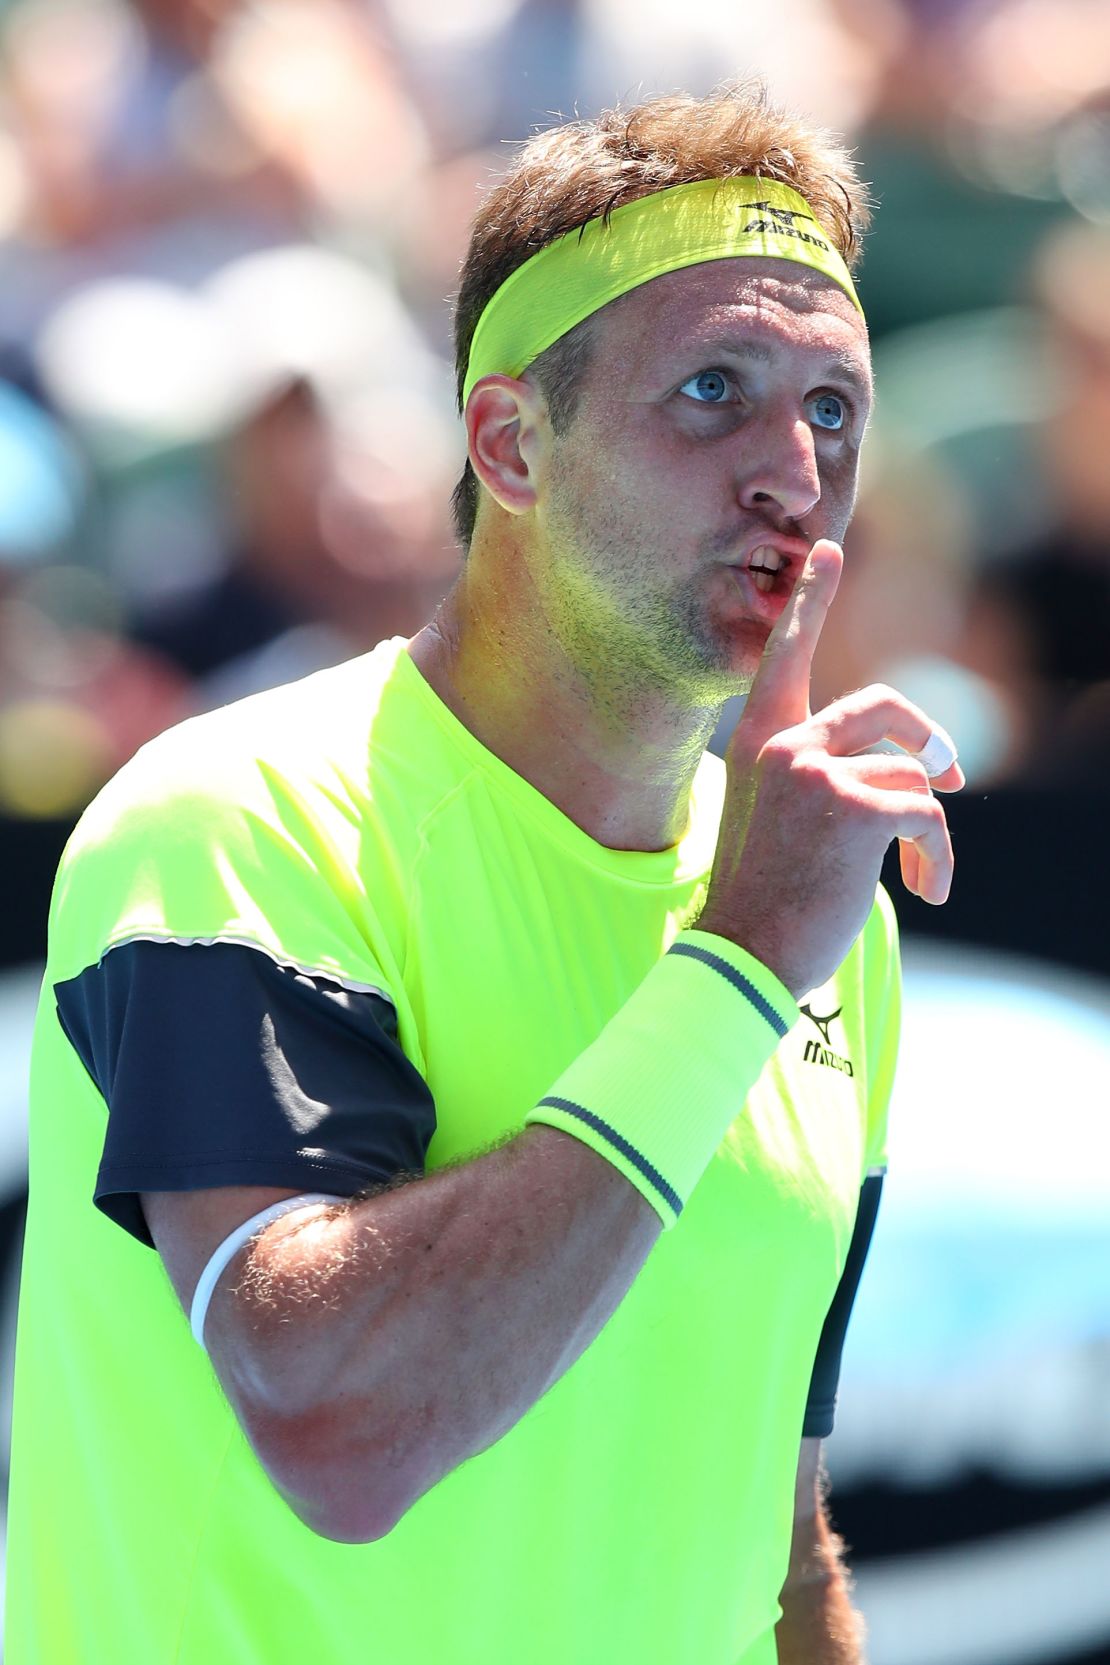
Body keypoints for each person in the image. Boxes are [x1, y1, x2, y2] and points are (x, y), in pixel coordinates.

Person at [6, 84, 962, 1665]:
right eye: (714, 390)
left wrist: (763, 934)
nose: (792, 471)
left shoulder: (816, 913)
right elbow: (342, 1422)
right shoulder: (231, 818)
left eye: (833, 409)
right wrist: (731, 965)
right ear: (510, 442)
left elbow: (780, 1552)